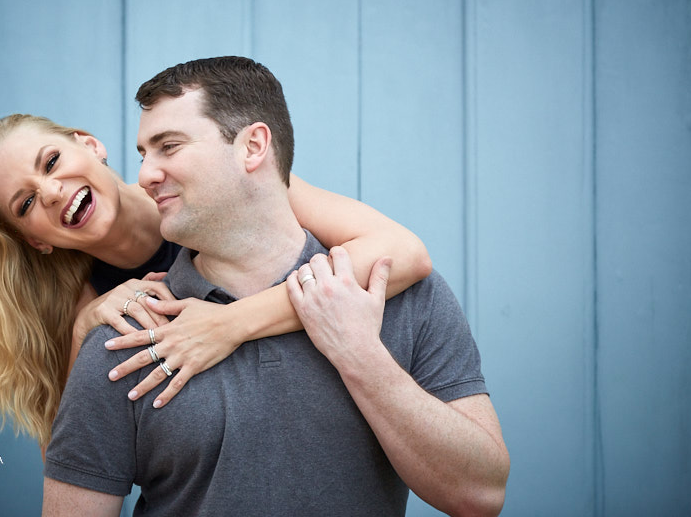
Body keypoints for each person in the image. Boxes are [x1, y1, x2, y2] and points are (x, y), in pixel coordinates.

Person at [42, 57, 509, 516]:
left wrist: (359, 355)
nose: (144, 175)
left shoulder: (397, 294)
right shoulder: (132, 336)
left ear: (252, 146)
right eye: (145, 154)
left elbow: (480, 496)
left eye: (170, 146)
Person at [0, 106, 431, 448]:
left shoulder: (214, 194)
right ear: (36, 240)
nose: (51, 191)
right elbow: (77, 461)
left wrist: (230, 324)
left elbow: (405, 254)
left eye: (51, 162)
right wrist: (79, 331)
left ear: (90, 145)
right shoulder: (89, 302)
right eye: (26, 203)